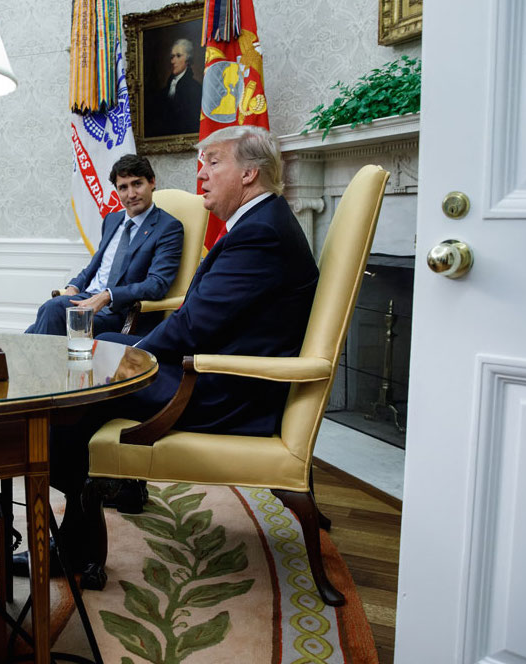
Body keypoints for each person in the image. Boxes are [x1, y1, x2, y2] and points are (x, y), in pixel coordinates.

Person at [49, 126, 320, 571]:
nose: (201, 174)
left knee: (77, 384)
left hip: (223, 391)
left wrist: (135, 357)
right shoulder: (264, 221)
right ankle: (109, 496)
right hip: (222, 371)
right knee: (97, 350)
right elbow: (203, 319)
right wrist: (128, 347)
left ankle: (75, 544)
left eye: (214, 161)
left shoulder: (260, 234)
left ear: (250, 172)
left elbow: (194, 325)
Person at [25, 154, 183, 337]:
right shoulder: (112, 219)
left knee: (51, 312)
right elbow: (97, 266)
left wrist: (108, 295)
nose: (131, 194)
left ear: (152, 182)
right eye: (123, 187)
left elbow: (157, 284)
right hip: (87, 299)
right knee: (33, 330)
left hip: (121, 312)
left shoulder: (168, 227)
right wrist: (74, 286)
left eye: (137, 184)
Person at [155, 38, 202, 136]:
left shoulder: (196, 89)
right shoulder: (164, 91)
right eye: (172, 57)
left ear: (188, 60)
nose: (173, 61)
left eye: (178, 56)